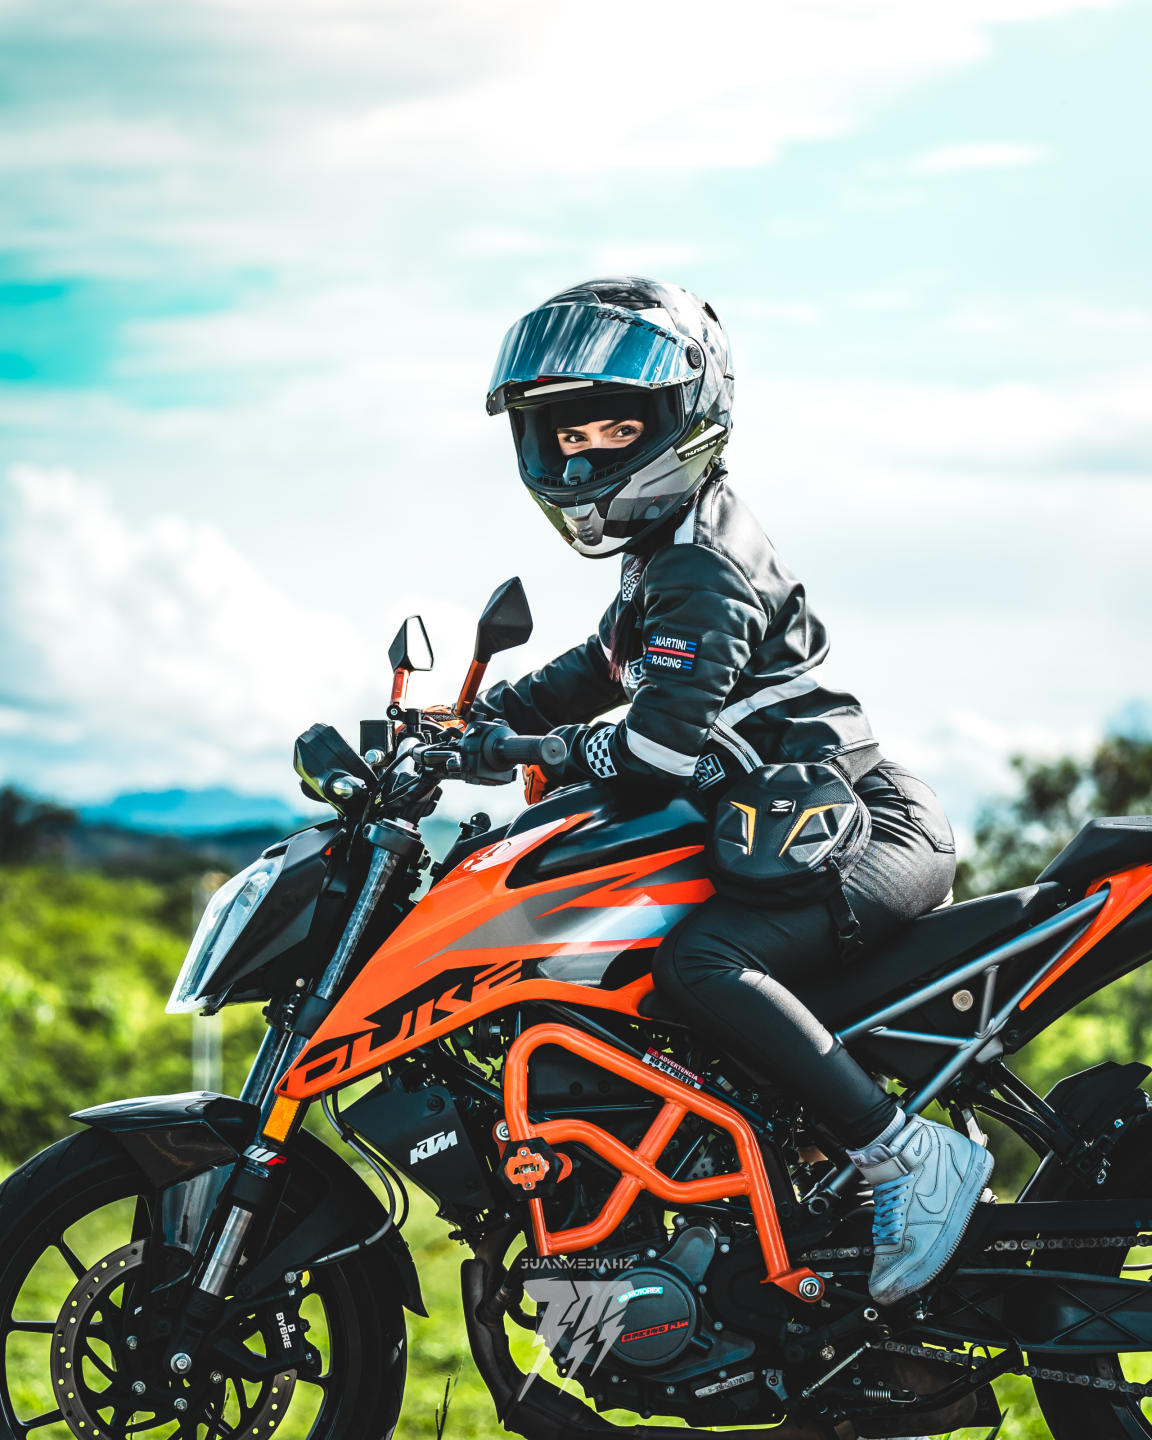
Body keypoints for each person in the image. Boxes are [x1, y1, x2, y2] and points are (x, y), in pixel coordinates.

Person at [471, 275, 992, 1309]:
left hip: (861, 833)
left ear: (684, 421)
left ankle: (904, 1156)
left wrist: (535, 748)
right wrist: (460, 727)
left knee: (699, 965)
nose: (583, 457)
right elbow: (589, 671)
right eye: (567, 435)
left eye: (617, 428)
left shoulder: (699, 566)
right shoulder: (662, 558)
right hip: (794, 834)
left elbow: (655, 752)